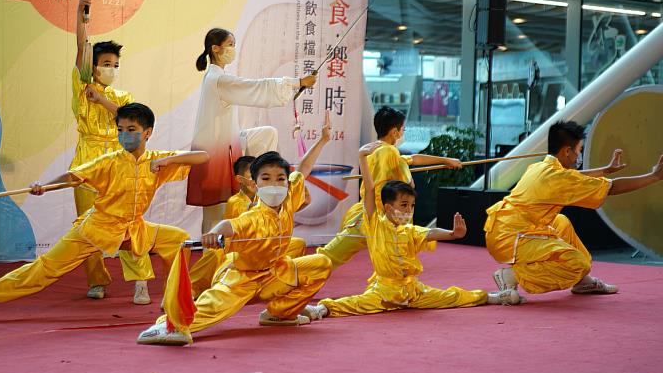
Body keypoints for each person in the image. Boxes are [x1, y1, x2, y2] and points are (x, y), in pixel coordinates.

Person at [0, 103, 209, 325]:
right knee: (44, 269)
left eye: (131, 130)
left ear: (147, 133)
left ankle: (173, 299)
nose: (125, 135)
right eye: (120, 130)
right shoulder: (109, 161)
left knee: (178, 240)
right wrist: (45, 186)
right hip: (97, 229)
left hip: (134, 229)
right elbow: (73, 176)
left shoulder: (157, 160)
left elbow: (203, 156)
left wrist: (167, 161)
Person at [137, 113, 334, 345]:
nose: (274, 184)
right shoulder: (253, 215)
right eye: (266, 178)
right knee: (206, 311)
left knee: (321, 264)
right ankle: (168, 326)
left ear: (287, 182)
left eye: (280, 178)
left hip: (276, 272)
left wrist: (323, 140)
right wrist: (215, 233)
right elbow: (229, 225)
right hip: (243, 277)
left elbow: (304, 168)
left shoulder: (290, 196)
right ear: (255, 184)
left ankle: (279, 314)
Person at [304, 142, 520, 320]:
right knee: (355, 303)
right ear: (388, 207)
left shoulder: (408, 230)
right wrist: (362, 157)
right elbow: (369, 189)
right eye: (404, 205)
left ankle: (492, 297)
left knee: (452, 296)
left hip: (414, 292)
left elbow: (430, 233)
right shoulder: (375, 222)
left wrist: (453, 234)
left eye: (412, 206)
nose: (409, 210)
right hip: (384, 293)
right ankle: (321, 309)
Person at [485, 120, 663, 297]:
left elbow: (573, 176)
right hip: (510, 238)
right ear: (567, 151)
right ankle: (512, 276)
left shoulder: (540, 167)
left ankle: (581, 281)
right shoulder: (558, 177)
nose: (579, 155)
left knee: (560, 222)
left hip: (503, 228)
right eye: (579, 150)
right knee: (578, 265)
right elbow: (612, 188)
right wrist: (654, 176)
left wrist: (605, 170)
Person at [186, 27, 317, 234]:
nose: (233, 49)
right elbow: (255, 87)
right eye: (230, 45)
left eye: (234, 45)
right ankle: (212, 251)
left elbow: (254, 88)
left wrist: (295, 86)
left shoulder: (217, 77)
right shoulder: (218, 79)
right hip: (215, 152)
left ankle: (262, 181)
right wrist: (297, 83)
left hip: (226, 144)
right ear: (215, 48)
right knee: (217, 212)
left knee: (267, 133)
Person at [71, 0, 151, 305]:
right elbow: (81, 48)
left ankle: (140, 281)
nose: (112, 69)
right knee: (88, 226)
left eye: (115, 65)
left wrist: (103, 100)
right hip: (87, 162)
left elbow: (128, 116)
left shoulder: (122, 96)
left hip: (118, 162)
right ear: (93, 67)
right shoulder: (82, 87)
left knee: (128, 224)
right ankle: (96, 280)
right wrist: (81, 15)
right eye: (106, 64)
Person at [317, 106, 462, 270]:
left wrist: (445, 160)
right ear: (394, 132)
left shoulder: (373, 150)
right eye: (402, 129)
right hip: (384, 219)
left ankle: (302, 271)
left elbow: (413, 159)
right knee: (397, 262)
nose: (403, 133)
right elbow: (409, 186)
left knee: (330, 256)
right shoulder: (391, 153)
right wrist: (408, 171)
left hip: (364, 214)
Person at [188, 156, 308, 298]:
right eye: (264, 178)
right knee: (214, 255)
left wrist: (292, 203)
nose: (271, 183)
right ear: (244, 180)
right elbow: (247, 218)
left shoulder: (271, 196)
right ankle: (193, 289)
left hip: (264, 250)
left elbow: (301, 187)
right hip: (240, 251)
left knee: (298, 243)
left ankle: (277, 280)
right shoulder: (237, 201)